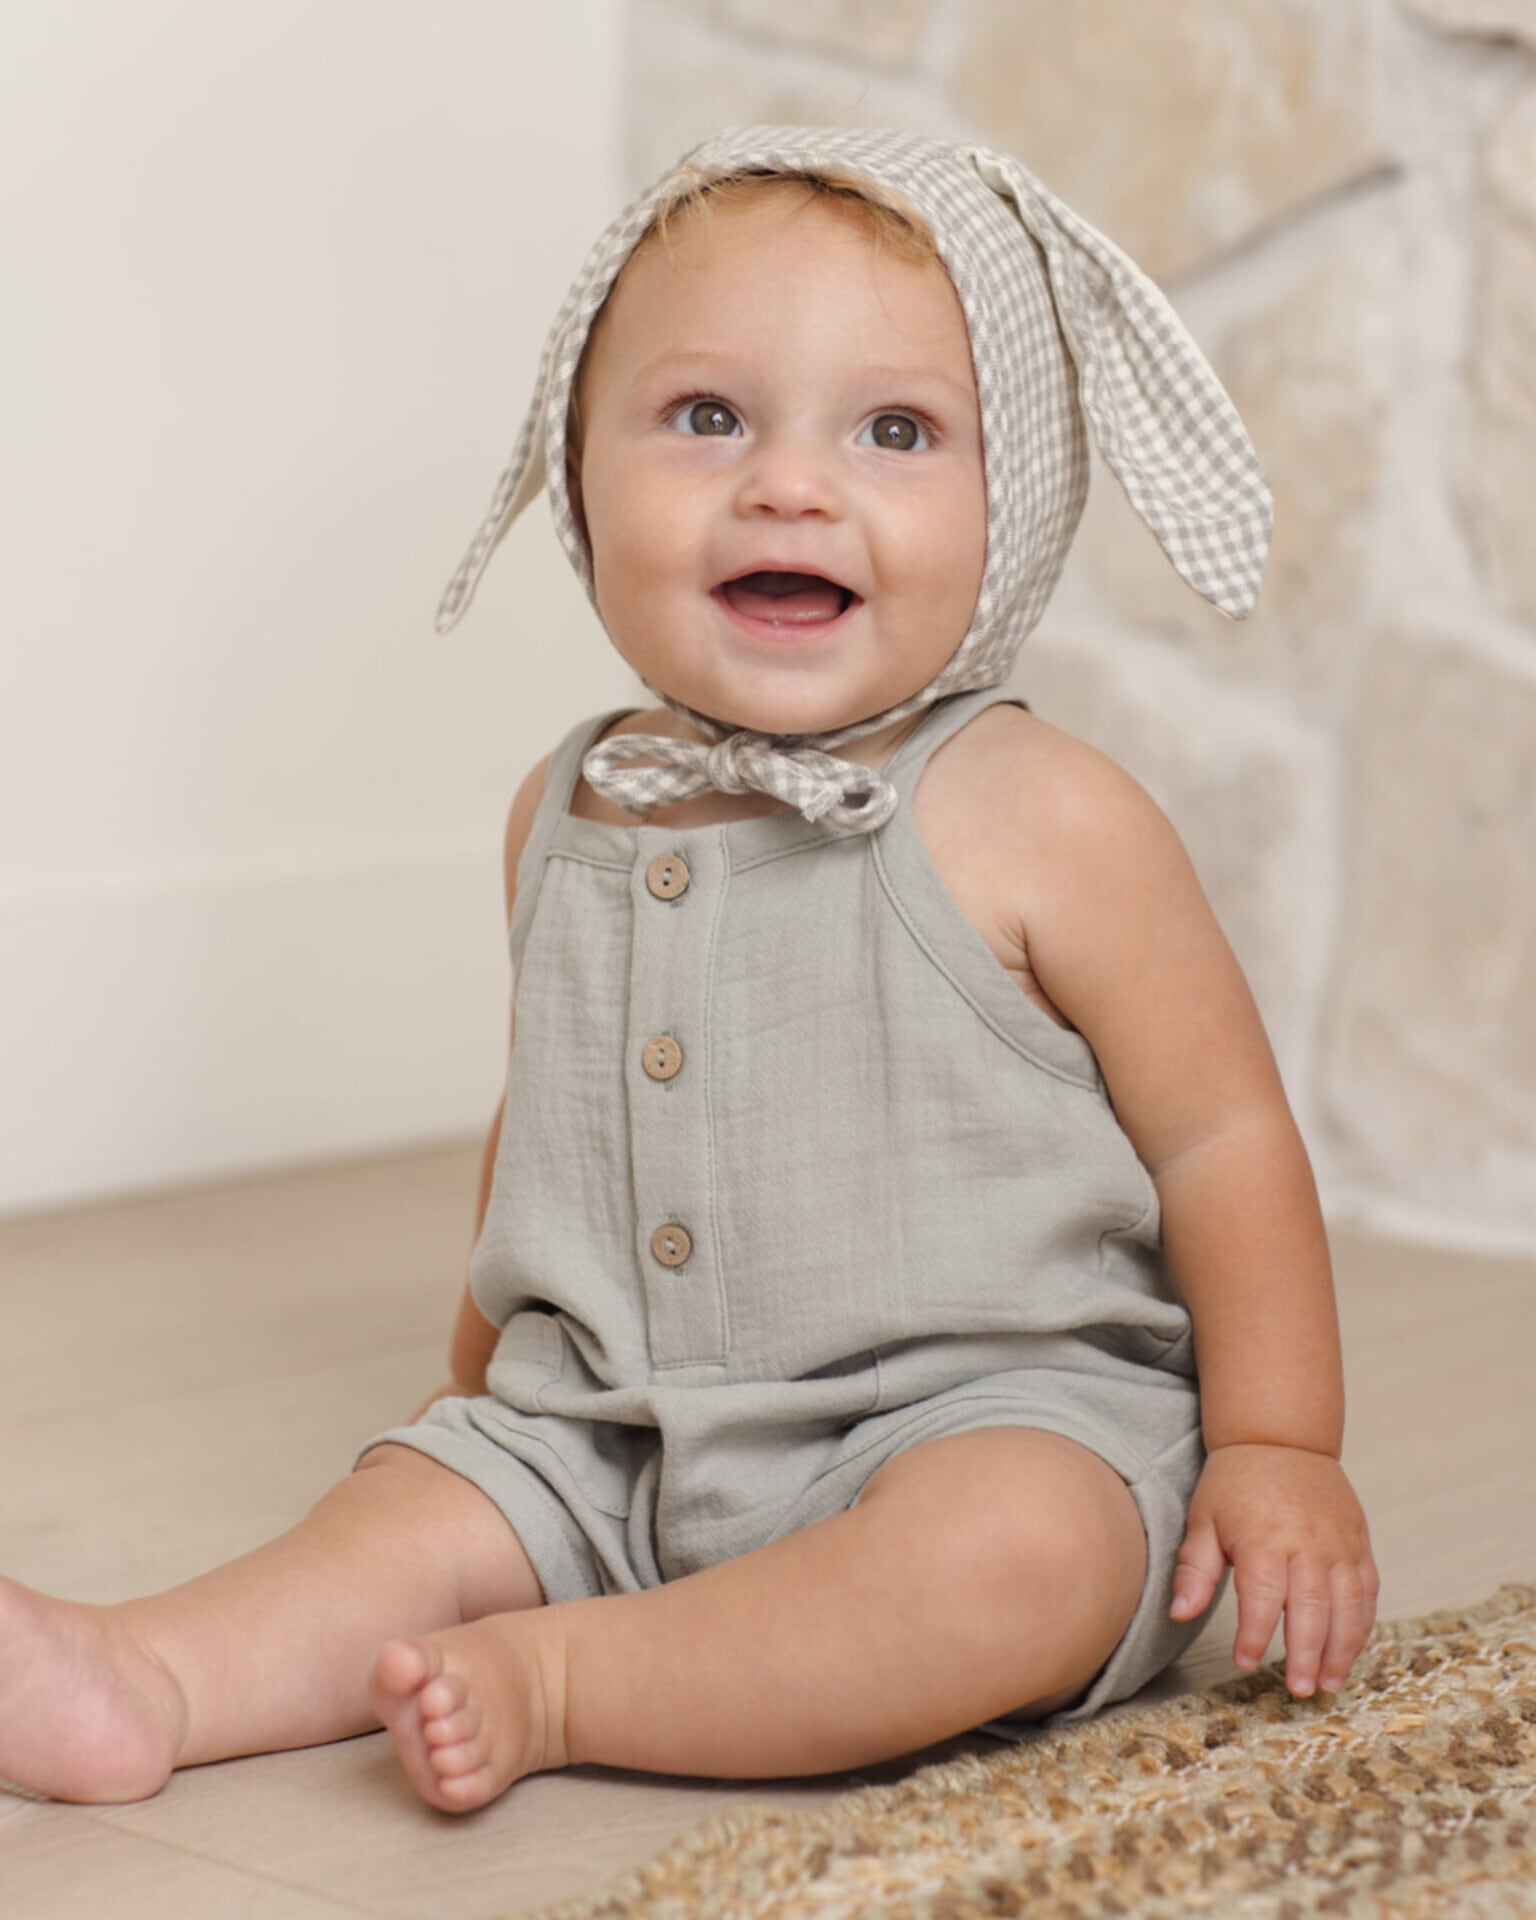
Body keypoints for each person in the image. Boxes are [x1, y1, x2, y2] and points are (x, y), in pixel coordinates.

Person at [0, 126, 1378, 1816]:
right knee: (402, 1519)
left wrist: (1279, 1444)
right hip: (613, 1425)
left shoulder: (1044, 813)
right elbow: (551, 1118)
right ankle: (144, 1676)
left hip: (974, 1423)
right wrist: (477, 1403)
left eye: (895, 431)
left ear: (1018, 493)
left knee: (1020, 1557)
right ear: (577, 473)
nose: (788, 486)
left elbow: (1222, 1138)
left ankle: (570, 1678)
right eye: (708, 416)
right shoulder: (570, 802)